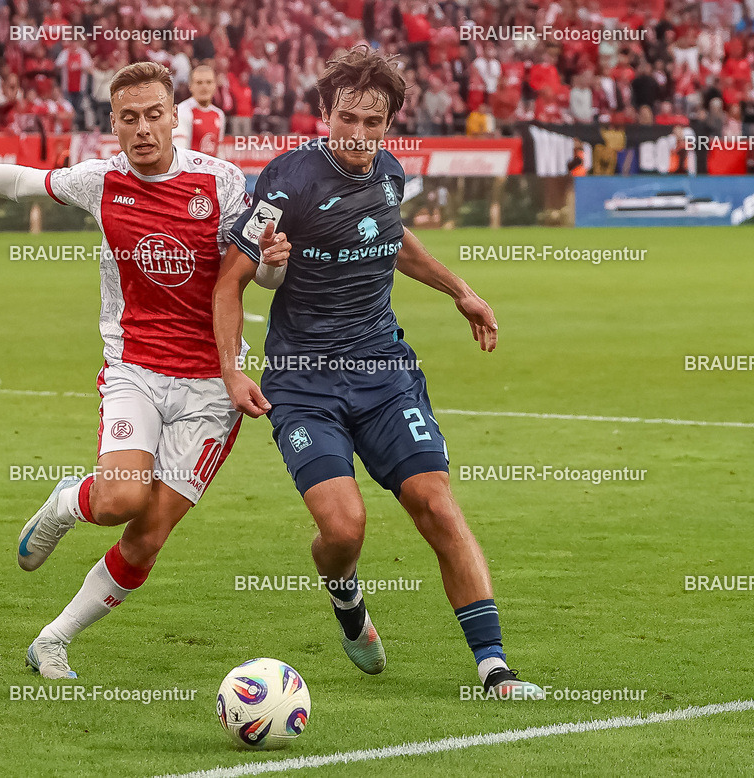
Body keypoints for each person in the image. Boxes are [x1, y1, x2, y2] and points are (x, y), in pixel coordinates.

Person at [0, 61, 289, 680]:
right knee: (119, 500)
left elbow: (254, 275)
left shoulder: (223, 183)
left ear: (175, 116)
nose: (144, 128)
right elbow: (22, 181)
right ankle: (64, 504)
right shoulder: (100, 180)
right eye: (129, 118)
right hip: (135, 369)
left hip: (212, 386)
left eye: (155, 114)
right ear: (113, 123)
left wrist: (275, 264)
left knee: (149, 536)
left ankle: (52, 640)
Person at [214, 47, 544, 699]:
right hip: (303, 385)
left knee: (436, 504)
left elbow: (392, 237)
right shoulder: (289, 179)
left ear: (390, 122)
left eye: (373, 122)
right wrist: (231, 369)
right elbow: (232, 281)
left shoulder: (389, 172)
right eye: (347, 118)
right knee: (343, 529)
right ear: (325, 114)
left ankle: (495, 669)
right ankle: (346, 601)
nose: (359, 135)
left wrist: (460, 290)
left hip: (384, 376)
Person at [173, 63, 225, 155]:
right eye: (199, 82)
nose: (204, 87)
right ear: (190, 86)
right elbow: (179, 152)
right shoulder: (182, 112)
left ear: (214, 86)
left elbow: (219, 152)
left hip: (210, 169)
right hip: (189, 169)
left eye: (209, 82)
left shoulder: (219, 114)